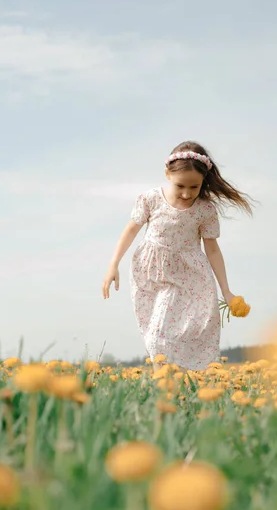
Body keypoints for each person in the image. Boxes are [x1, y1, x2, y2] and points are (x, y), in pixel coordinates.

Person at [102, 140, 254, 371]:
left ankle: (174, 381)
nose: (186, 193)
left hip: (189, 276)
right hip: (150, 274)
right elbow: (131, 230)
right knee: (154, 332)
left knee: (164, 335)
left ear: (204, 181)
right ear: (167, 174)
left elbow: (212, 249)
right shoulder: (151, 199)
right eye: (180, 186)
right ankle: (172, 383)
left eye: (194, 187)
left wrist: (226, 291)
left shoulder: (204, 210)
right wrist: (113, 265)